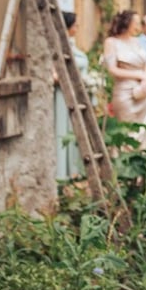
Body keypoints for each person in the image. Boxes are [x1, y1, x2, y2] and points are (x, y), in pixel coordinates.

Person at [55, 11, 88, 179]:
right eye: (75, 25)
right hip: (63, 95)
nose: (78, 28)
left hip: (76, 95)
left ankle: (74, 170)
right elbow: (55, 74)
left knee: (76, 131)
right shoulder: (59, 46)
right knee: (63, 129)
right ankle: (62, 173)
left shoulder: (72, 45)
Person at [103, 10, 146, 124]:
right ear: (127, 23)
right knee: (128, 130)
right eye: (137, 23)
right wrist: (138, 74)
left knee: (144, 129)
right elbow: (112, 69)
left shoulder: (137, 41)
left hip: (143, 91)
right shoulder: (111, 42)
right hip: (125, 92)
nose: (139, 27)